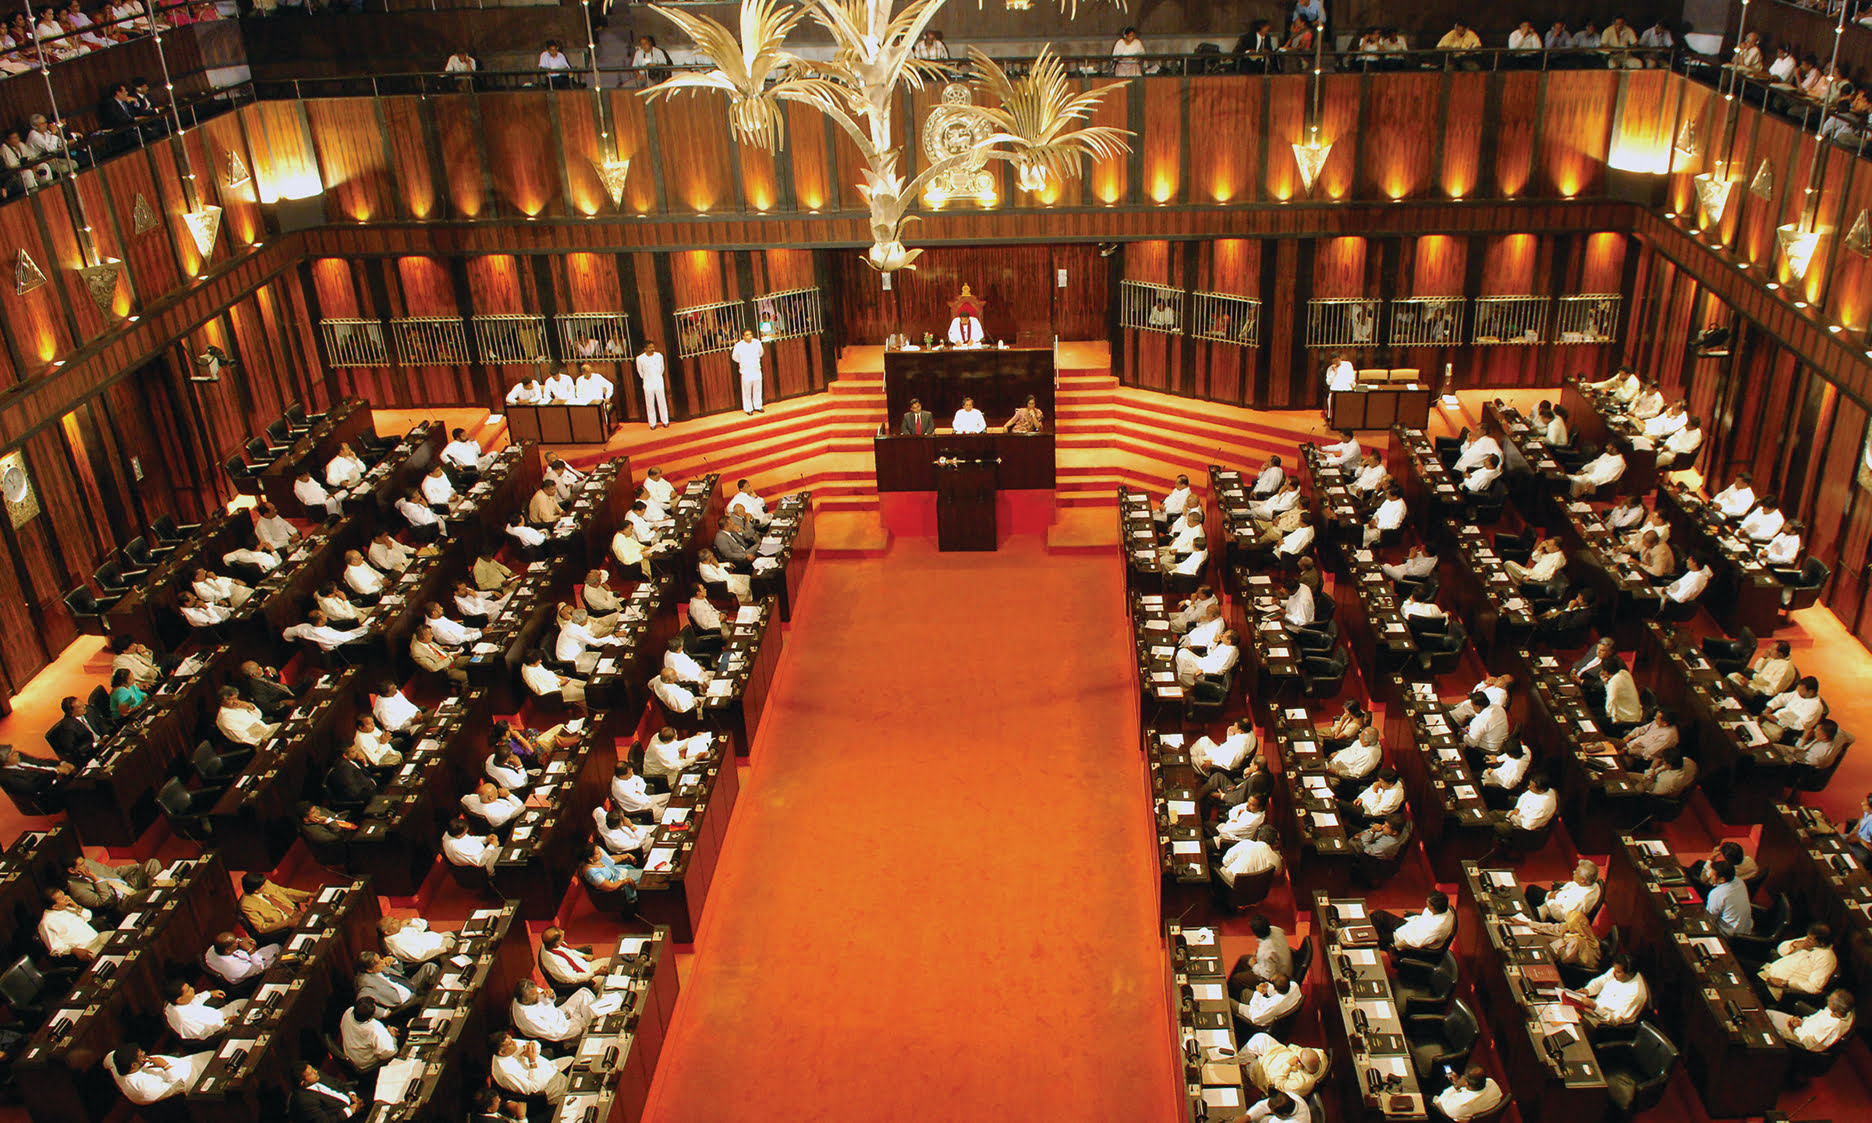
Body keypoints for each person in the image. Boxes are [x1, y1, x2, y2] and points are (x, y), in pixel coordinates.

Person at [108, 1045, 211, 1105]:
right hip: (192, 1077)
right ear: (133, 1065)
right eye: (141, 1055)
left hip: (187, 1062)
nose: (144, 1053)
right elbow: (178, 1084)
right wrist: (165, 1066)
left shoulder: (118, 1065)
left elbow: (109, 1057)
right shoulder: (143, 1089)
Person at [491, 1031, 576, 1104]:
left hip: (551, 1069)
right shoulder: (506, 1073)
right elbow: (533, 1089)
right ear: (502, 1052)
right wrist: (532, 1061)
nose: (515, 1043)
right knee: (579, 1093)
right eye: (510, 1044)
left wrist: (532, 1046)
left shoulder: (510, 1044)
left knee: (576, 1061)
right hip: (549, 1087)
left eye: (512, 1040)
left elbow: (536, 1045)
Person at [1760, 923, 1837, 1001]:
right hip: (1766, 972)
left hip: (1776, 989)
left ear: (1822, 943)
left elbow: (1814, 987)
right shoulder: (1808, 941)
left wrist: (1785, 983)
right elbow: (1780, 950)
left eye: (1810, 939)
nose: (1806, 940)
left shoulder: (1826, 958)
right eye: (1807, 937)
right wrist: (1795, 945)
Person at [512, 978, 600, 1042]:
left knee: (583, 993)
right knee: (584, 1021)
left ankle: (595, 1022)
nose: (538, 995)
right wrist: (579, 1027)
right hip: (558, 1028)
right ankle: (594, 1028)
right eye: (534, 996)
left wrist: (550, 994)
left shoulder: (529, 992)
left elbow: (549, 1001)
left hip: (558, 1013)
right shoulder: (528, 1017)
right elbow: (555, 1033)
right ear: (525, 1001)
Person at [1769, 988, 1855, 1052]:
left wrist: (1796, 1029)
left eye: (1831, 1000)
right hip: (1800, 1026)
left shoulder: (1833, 1026)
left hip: (1799, 1041)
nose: (1828, 998)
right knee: (1768, 1014)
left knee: (1768, 1031)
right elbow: (1814, 1018)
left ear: (1837, 1008)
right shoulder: (1831, 1010)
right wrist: (1801, 1021)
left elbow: (1812, 1045)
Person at [1578, 955, 1648, 1028]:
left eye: (1618, 972)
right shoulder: (1617, 971)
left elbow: (1615, 1021)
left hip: (1603, 1024)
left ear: (1630, 974)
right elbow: (1601, 981)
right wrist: (1587, 990)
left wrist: (1595, 1007)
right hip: (1593, 1009)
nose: (1613, 973)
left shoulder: (1636, 994)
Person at [1372, 892, 1456, 952]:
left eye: (1428, 906)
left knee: (1376, 939)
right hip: (1410, 926)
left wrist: (1398, 940)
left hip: (1405, 939)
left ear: (1434, 908)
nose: (1427, 907)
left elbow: (1417, 942)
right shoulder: (1444, 909)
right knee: (1378, 915)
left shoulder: (1437, 928)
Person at [39, 888, 110, 958]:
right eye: (62, 898)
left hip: (98, 938)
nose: (67, 898)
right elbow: (55, 949)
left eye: (64, 895)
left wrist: (76, 906)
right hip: (87, 948)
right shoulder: (46, 923)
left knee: (118, 936)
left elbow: (88, 916)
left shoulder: (66, 907)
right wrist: (74, 950)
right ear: (55, 906)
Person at [164, 979, 244, 1041]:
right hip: (219, 1029)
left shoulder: (175, 1002)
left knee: (242, 1002)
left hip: (218, 1015)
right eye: (188, 990)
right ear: (179, 1000)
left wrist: (209, 994)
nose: (192, 989)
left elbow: (194, 1000)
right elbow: (204, 1034)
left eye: (189, 987)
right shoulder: (183, 1020)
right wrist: (226, 1021)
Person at [1525, 860, 1602, 922]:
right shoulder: (1592, 884)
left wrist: (1550, 900)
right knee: (1531, 889)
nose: (1574, 872)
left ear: (1583, 880)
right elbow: (1573, 884)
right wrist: (1559, 890)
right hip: (1558, 897)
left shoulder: (1580, 901)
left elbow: (1561, 916)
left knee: (1524, 913)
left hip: (1552, 912)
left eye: (1576, 873)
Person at [239, 872, 310, 937]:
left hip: (297, 914)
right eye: (264, 885)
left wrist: (309, 895)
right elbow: (261, 927)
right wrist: (287, 923)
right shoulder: (247, 905)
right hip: (285, 927)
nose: (267, 885)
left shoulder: (265, 884)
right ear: (256, 891)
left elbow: (285, 892)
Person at [340, 997, 398, 1071]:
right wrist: (392, 1037)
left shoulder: (348, 1011)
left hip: (352, 1057)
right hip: (366, 1065)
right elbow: (388, 1054)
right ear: (371, 1017)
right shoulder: (375, 1028)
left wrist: (385, 1033)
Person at [290, 1063, 361, 1123]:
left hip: (353, 1103)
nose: (315, 1072)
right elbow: (325, 1121)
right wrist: (349, 1111)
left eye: (313, 1069)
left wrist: (352, 1095)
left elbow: (339, 1083)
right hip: (346, 1118)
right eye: (311, 1073)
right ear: (303, 1083)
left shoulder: (318, 1076)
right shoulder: (305, 1101)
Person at [1433, 1064, 1505, 1121]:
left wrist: (1457, 1086)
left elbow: (1439, 1104)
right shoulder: (1492, 1083)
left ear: (1466, 1083)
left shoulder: (1459, 1105)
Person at [1236, 971, 1302, 1028]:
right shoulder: (1294, 985)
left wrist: (1258, 994)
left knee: (1232, 1003)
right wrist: (1268, 987)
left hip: (1257, 1015)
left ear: (1276, 989)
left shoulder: (1273, 1005)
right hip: (1278, 1010)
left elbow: (1255, 1018)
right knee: (1245, 992)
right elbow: (1281, 992)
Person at [1704, 859, 1752, 937]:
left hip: (1729, 934)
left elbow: (1710, 918)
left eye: (1712, 875)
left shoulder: (1717, 894)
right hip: (1745, 929)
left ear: (1722, 879)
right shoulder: (1739, 881)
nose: (1710, 876)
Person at [731, 328, 765, 414]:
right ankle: (748, 408)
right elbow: (735, 357)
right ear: (743, 336)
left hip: (756, 369)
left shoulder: (757, 343)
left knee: (757, 388)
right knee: (747, 390)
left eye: (750, 334)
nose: (749, 336)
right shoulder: (738, 345)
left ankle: (758, 405)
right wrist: (743, 363)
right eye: (747, 335)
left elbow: (761, 353)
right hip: (746, 371)